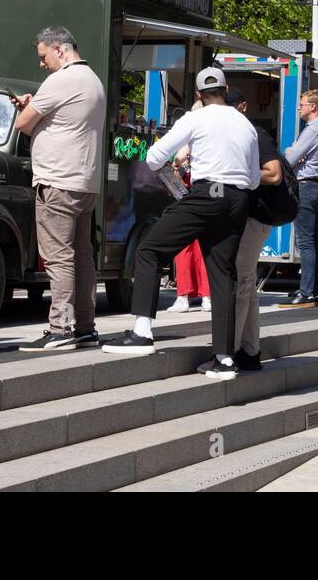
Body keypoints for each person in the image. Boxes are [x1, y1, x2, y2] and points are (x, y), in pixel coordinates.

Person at [107, 67, 259, 380]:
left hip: (207, 194)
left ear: (200, 95)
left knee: (149, 250)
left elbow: (153, 157)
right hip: (238, 200)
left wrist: (184, 161)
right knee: (223, 274)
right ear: (226, 89)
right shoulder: (246, 124)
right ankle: (225, 358)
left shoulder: (195, 117)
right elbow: (255, 178)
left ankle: (142, 331)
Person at [11, 26, 107, 352]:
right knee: (81, 256)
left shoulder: (60, 80)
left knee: (58, 258)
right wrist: (34, 104)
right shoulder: (93, 80)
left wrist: (27, 107)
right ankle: (84, 326)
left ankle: (60, 328)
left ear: (59, 50)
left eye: (43, 56)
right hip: (84, 182)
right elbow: (62, 116)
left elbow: (23, 124)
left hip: (57, 181)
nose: (42, 64)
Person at [227, 88, 283, 371]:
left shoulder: (255, 135)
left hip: (256, 217)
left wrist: (239, 172)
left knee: (241, 281)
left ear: (243, 106)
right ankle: (250, 350)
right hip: (247, 217)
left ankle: (232, 349)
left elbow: (273, 173)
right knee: (245, 283)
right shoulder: (233, 133)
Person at [281, 89, 318, 308]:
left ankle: (307, 292)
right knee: (312, 240)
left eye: (302, 104)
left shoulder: (313, 130)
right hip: (314, 186)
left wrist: (289, 152)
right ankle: (315, 289)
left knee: (306, 241)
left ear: (313, 106)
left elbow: (290, 158)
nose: (299, 107)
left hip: (306, 186)